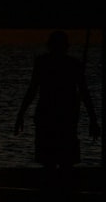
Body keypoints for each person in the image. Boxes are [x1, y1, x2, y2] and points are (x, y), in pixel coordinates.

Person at [15, 30, 100, 176]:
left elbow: (32, 90)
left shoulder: (46, 63)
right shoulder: (70, 64)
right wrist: (92, 118)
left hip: (58, 117)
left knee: (55, 161)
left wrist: (21, 114)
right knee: (61, 161)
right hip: (60, 116)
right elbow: (33, 89)